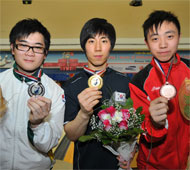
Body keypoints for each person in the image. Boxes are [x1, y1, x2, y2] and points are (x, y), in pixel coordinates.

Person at [63, 18, 131, 169]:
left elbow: (131, 129)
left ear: (111, 45)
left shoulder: (124, 83)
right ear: (84, 46)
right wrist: (84, 113)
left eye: (104, 41)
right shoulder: (71, 86)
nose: (98, 48)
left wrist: (130, 151)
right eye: (92, 41)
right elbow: (71, 135)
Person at [0, 18, 65, 169]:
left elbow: (49, 144)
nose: (30, 53)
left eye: (37, 48)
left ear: (45, 53)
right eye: (23, 45)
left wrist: (37, 124)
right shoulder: (1, 82)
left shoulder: (55, 91)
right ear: (12, 48)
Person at [129, 10, 190, 169]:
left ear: (179, 37)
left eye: (169, 36)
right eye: (155, 39)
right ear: (147, 43)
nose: (163, 44)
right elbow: (142, 131)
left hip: (184, 163)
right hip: (151, 165)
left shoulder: (189, 70)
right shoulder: (139, 81)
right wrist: (155, 123)